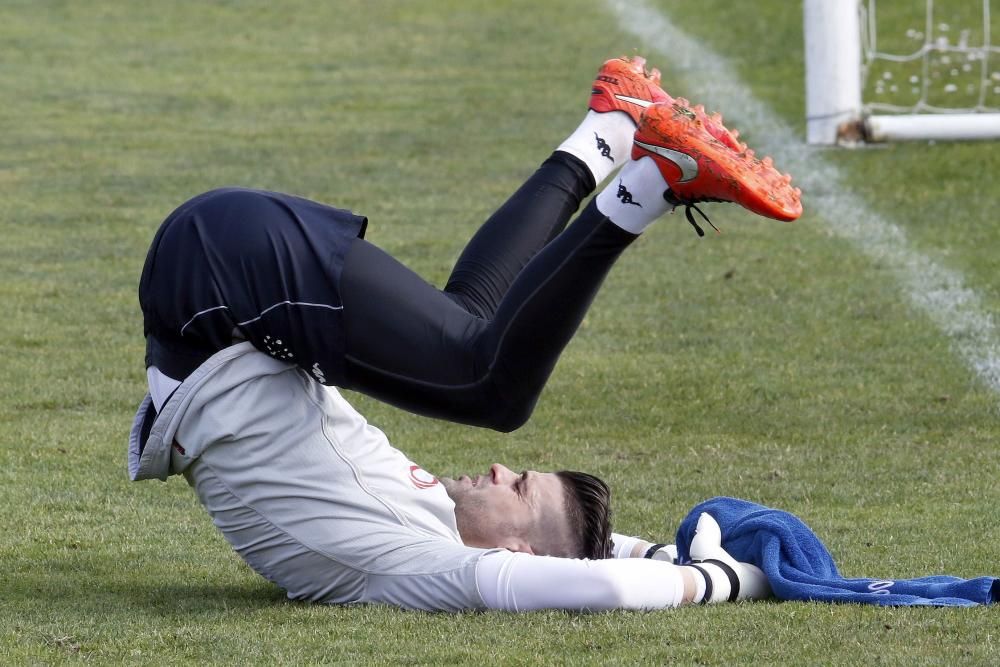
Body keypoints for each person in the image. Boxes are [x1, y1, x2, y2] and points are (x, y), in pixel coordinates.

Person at [129, 56, 801, 612]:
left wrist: (736, 580)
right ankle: (610, 132)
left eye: (518, 487)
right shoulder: (449, 526)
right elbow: (591, 552)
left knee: (494, 389)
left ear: (517, 555)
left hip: (218, 289)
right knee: (475, 343)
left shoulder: (422, 564)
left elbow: (602, 581)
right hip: (231, 292)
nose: (503, 470)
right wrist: (680, 555)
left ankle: (651, 173)